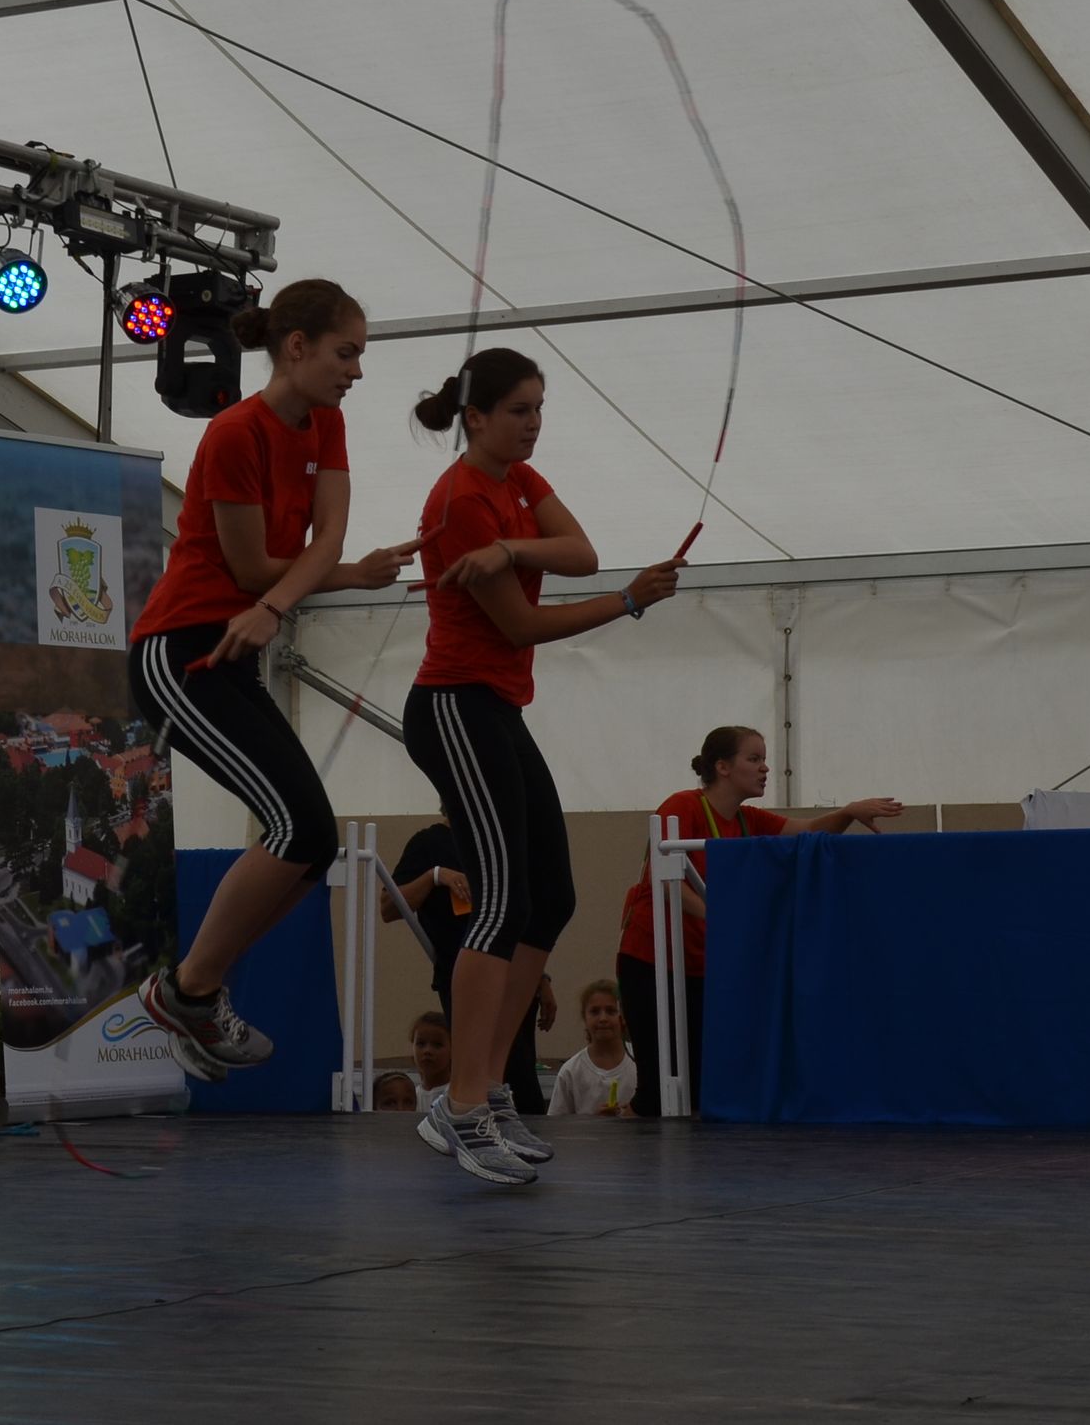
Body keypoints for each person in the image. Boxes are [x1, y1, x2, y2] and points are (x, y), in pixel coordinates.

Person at [400, 346, 685, 1186]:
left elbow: (581, 552)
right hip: (454, 707)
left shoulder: (516, 482)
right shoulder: (459, 498)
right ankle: (460, 1104)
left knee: (550, 896)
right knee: (502, 901)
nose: (533, 424)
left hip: (496, 708)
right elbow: (524, 628)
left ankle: (486, 1089)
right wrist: (627, 602)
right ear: (476, 417)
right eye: (519, 410)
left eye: (539, 409)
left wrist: (512, 551)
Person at [130, 280, 419, 1080]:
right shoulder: (233, 433)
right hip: (182, 653)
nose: (356, 370)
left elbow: (327, 543)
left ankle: (195, 988)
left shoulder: (327, 423)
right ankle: (189, 991)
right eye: (345, 353)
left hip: (235, 650)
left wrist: (326, 580)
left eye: (359, 354)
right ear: (297, 347)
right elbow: (255, 567)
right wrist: (279, 600)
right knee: (294, 825)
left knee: (315, 840)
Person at [616, 725, 902, 1116]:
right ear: (722, 767)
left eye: (764, 759)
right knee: (656, 1091)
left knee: (700, 1088)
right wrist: (725, 915)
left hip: (704, 966)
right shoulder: (682, 806)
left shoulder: (747, 820)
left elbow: (805, 833)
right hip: (652, 962)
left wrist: (848, 812)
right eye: (754, 759)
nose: (765, 768)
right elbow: (665, 884)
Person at [385, 818, 553, 1113]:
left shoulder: (500, 842)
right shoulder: (429, 843)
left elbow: (517, 921)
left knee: (520, 1072)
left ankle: (518, 1128)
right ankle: (473, 1124)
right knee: (484, 1069)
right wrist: (436, 876)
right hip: (464, 980)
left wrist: (541, 979)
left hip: (513, 978)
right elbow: (389, 907)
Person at [547, 980, 640, 1118]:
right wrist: (594, 1123)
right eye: (595, 1012)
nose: (603, 1018)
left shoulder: (640, 1065)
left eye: (611, 1011)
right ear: (584, 1017)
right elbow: (557, 1125)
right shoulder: (571, 1071)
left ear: (623, 1017)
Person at [406, 1011, 452, 1093]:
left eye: (437, 1045)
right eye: (421, 1044)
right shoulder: (411, 1097)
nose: (427, 1050)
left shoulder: (458, 1096)